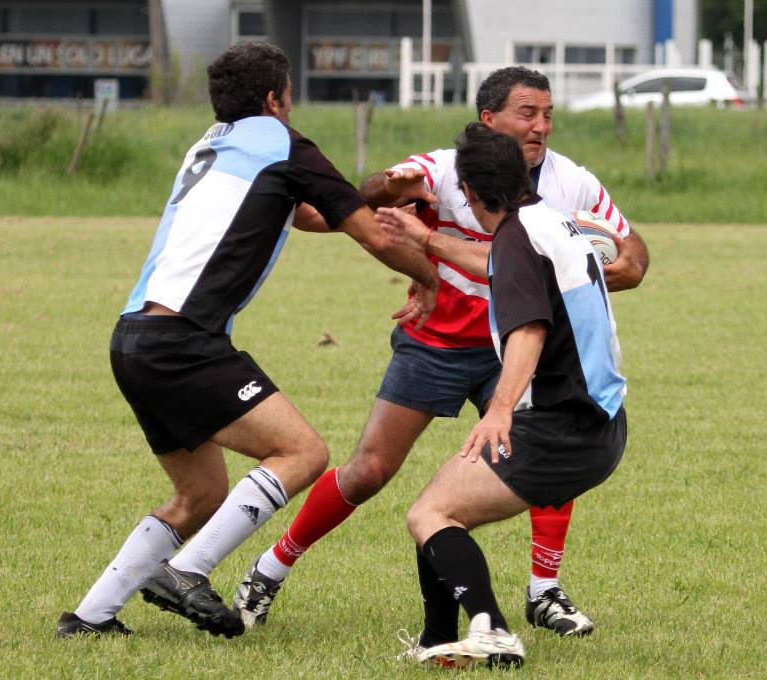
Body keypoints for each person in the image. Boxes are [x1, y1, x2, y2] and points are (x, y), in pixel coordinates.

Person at [234, 67, 647, 637]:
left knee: (537, 462)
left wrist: (582, 280)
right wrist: (395, 191)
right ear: (490, 119)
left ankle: (541, 592)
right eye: (527, 113)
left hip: (517, 356)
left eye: (548, 115)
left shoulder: (569, 184)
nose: (541, 127)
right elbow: (371, 196)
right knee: (370, 469)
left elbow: (631, 258)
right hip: (438, 344)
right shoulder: (450, 169)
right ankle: (271, 567)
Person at [54, 41, 437, 639]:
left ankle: (90, 618)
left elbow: (308, 214)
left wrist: (383, 192)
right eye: (290, 94)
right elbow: (377, 241)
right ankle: (187, 571)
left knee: (200, 494)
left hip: (133, 338)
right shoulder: (284, 144)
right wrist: (432, 280)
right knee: (301, 453)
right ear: (274, 98)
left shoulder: (211, 145)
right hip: (184, 341)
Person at [390, 122, 628, 668]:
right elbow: (498, 268)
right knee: (438, 503)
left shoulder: (519, 239)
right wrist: (427, 239)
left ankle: (490, 629)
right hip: (599, 422)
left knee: (432, 514)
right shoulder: (549, 223)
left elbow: (529, 328)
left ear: (471, 194)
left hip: (560, 427)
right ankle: (438, 642)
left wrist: (498, 410)